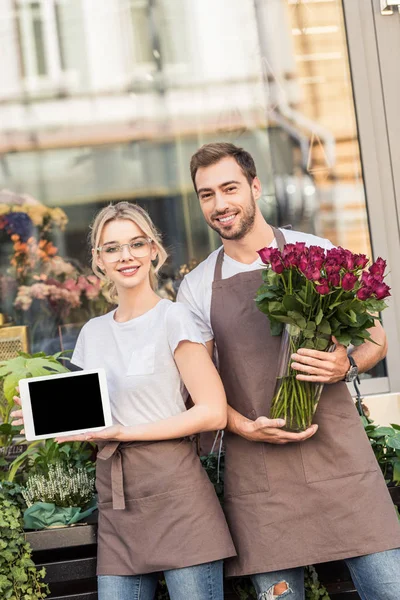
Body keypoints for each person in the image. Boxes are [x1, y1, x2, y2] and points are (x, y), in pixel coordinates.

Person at [177, 142, 400, 600]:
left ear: (255, 187)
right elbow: (199, 387)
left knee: (388, 587)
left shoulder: (315, 252)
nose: (219, 204)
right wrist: (243, 426)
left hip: (339, 459)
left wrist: (347, 363)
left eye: (229, 188)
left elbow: (376, 338)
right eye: (206, 194)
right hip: (260, 475)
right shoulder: (196, 287)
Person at [12, 201, 236, 600]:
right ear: (98, 259)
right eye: (111, 247)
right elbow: (87, 415)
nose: (125, 256)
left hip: (177, 495)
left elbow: (213, 411)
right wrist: (36, 415)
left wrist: (125, 431)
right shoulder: (92, 334)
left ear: (153, 249)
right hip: (116, 502)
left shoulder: (174, 318)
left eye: (135, 244)